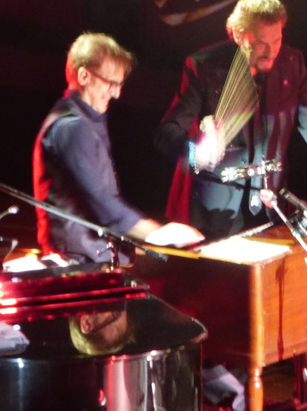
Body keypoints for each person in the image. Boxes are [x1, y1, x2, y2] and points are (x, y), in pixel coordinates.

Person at [154, 0, 307, 240]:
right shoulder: (204, 66)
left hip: (270, 206)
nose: (271, 52)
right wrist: (197, 153)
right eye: (259, 42)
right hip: (212, 210)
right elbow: (167, 132)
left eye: (277, 40)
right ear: (237, 35)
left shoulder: (292, 62)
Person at [33, 32, 203, 263]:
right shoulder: (72, 127)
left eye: (120, 84)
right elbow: (101, 201)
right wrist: (156, 233)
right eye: (111, 83)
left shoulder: (87, 118)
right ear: (84, 76)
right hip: (80, 260)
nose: (116, 93)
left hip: (92, 253)